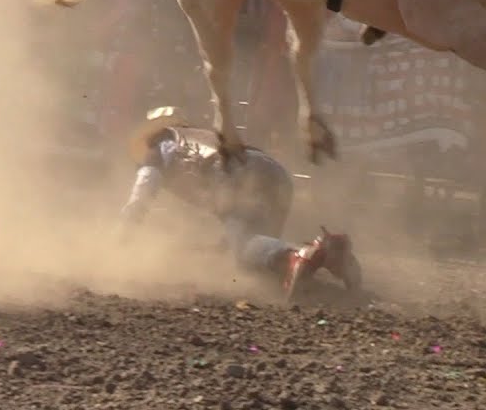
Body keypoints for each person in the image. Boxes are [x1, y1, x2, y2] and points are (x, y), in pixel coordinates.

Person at [118, 106, 362, 300]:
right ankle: (330, 253)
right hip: (271, 172)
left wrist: (126, 229)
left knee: (247, 250)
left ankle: (303, 254)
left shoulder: (161, 144)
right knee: (262, 261)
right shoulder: (202, 138)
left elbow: (144, 185)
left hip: (232, 173)